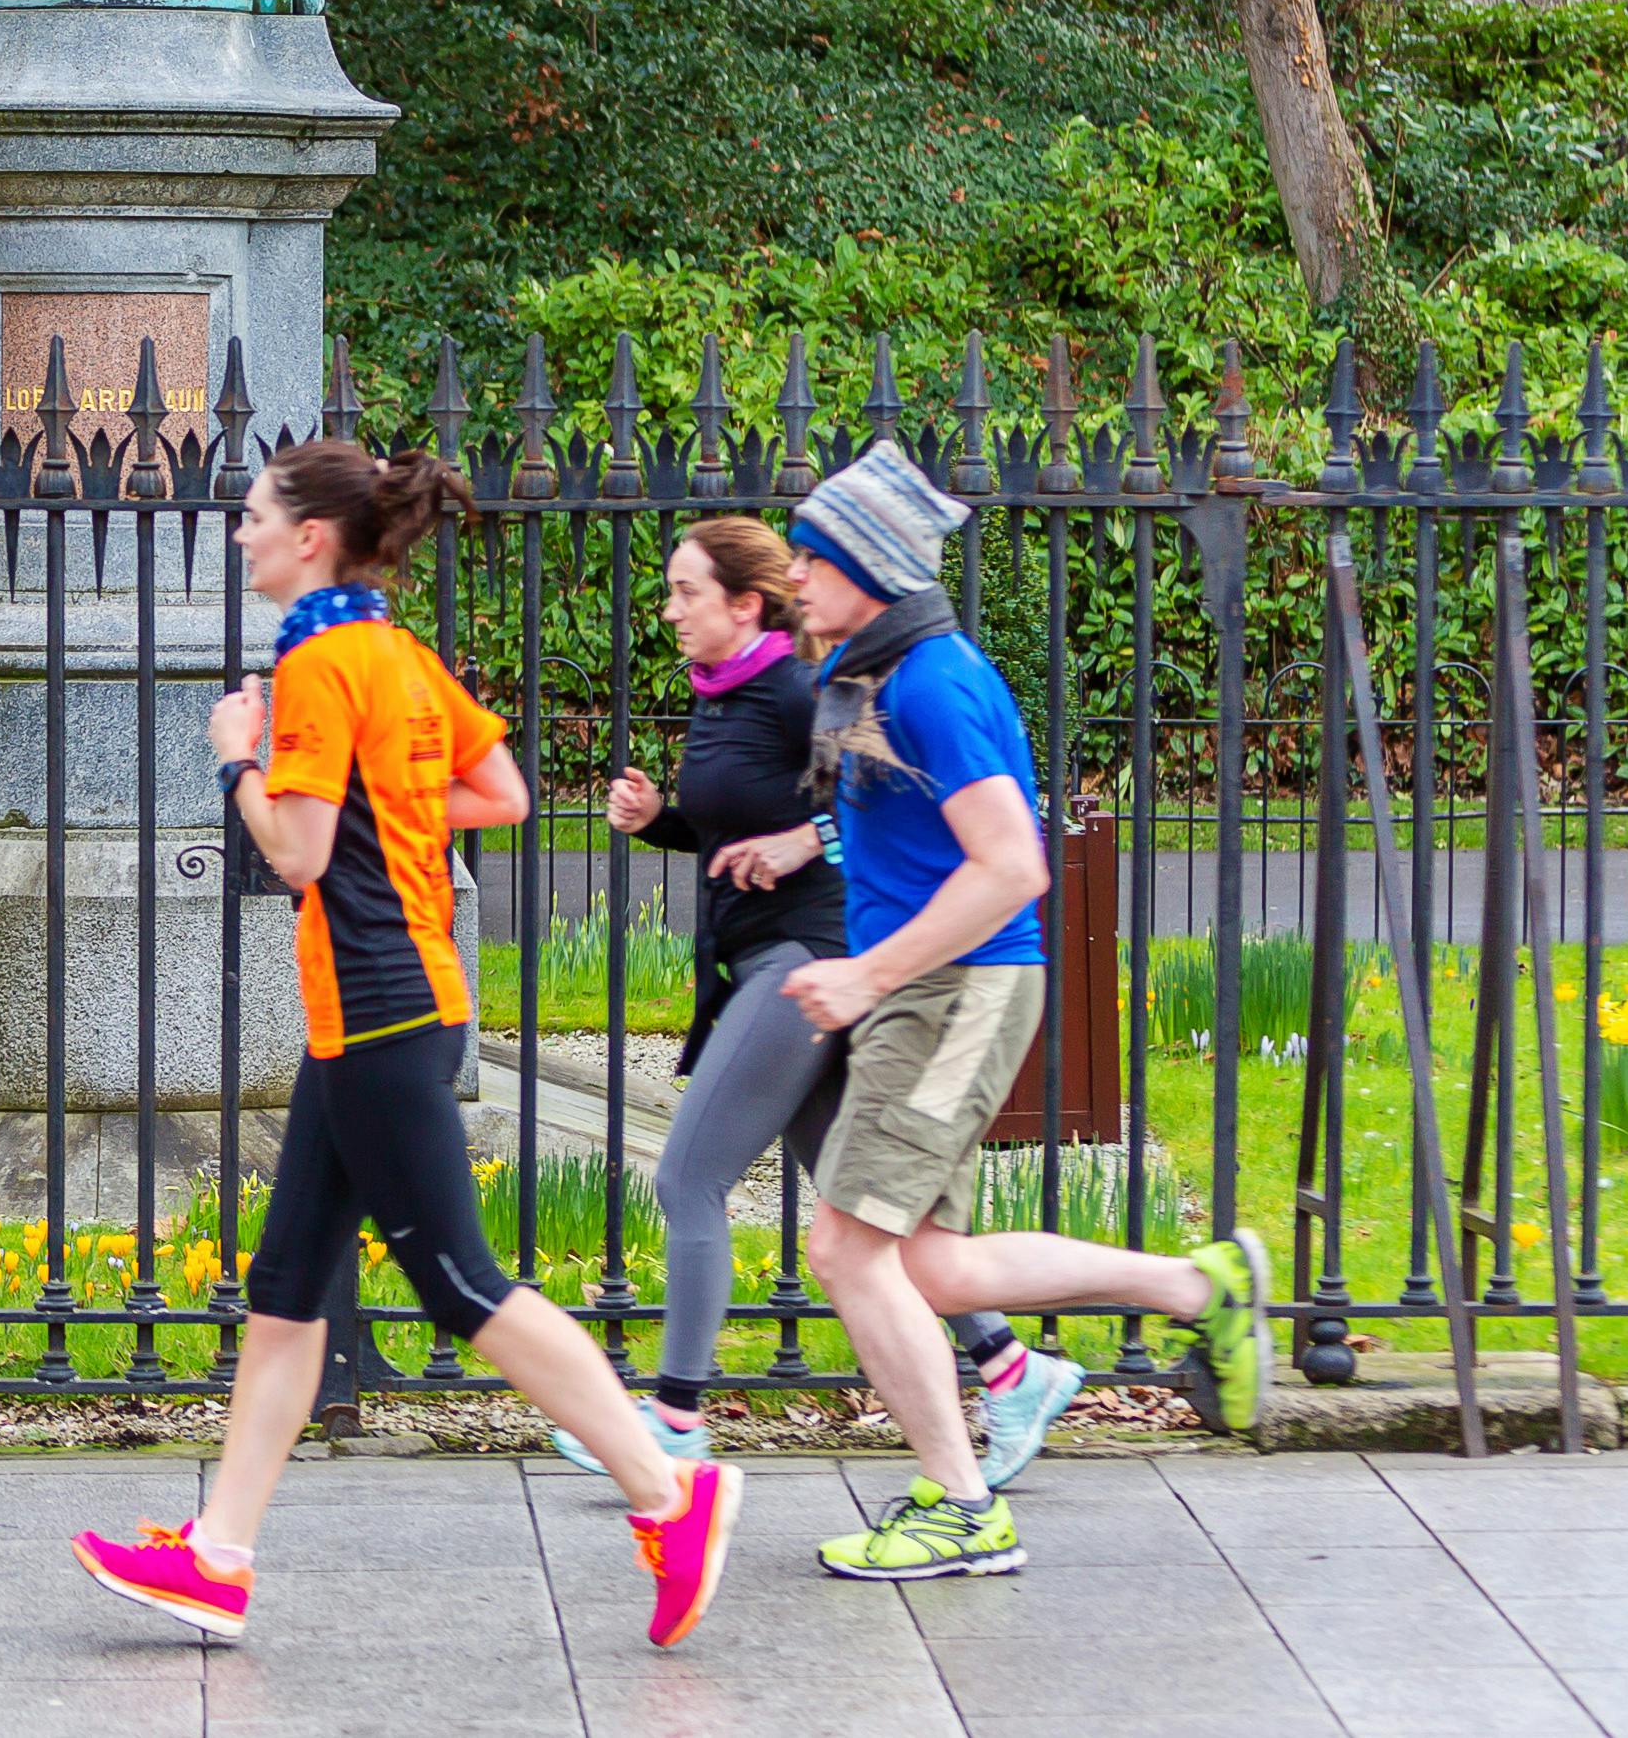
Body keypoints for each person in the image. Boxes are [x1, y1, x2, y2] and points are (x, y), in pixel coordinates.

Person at [74, 439, 737, 1647]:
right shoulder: (398, 654)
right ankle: (218, 1557)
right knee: (285, 1292)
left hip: (381, 1010)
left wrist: (235, 758)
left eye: (254, 515)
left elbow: (296, 853)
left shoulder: (320, 664)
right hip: (388, 1007)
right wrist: (381, 808)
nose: (240, 534)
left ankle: (668, 1491)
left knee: (463, 1284)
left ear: (309, 537)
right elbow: (502, 795)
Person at [779, 442, 1271, 1582]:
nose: (794, 573)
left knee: (845, 1250)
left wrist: (866, 974)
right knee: (931, 1269)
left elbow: (1012, 865)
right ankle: (1198, 1287)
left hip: (955, 990)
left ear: (872, 565)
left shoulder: (932, 683)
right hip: (927, 990)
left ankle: (963, 1508)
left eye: (812, 555)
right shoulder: (868, 671)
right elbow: (891, 822)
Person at [549, 517, 1088, 1491]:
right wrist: (660, 820)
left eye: (685, 591)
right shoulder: (724, 692)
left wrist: (808, 844)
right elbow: (745, 821)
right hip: (767, 956)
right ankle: (1013, 1369)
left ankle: (675, 1421)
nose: (668, 610)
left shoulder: (804, 687)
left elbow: (885, 803)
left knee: (689, 1178)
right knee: (864, 1211)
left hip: (810, 955)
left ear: (742, 603)